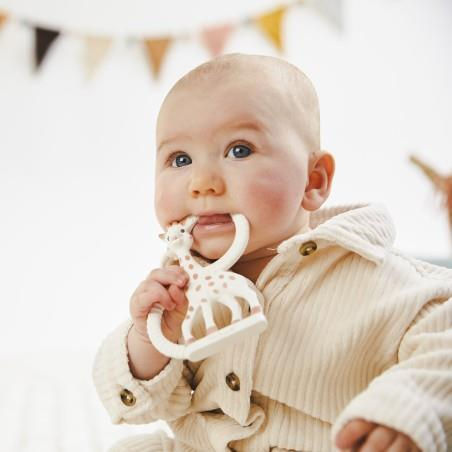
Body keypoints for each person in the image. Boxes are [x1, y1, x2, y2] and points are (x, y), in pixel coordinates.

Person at [92, 53, 452, 451]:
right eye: (180, 159)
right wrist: (149, 340)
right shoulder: (182, 290)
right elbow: (139, 405)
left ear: (313, 180)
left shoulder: (378, 277)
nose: (202, 182)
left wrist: (406, 410)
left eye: (239, 150)